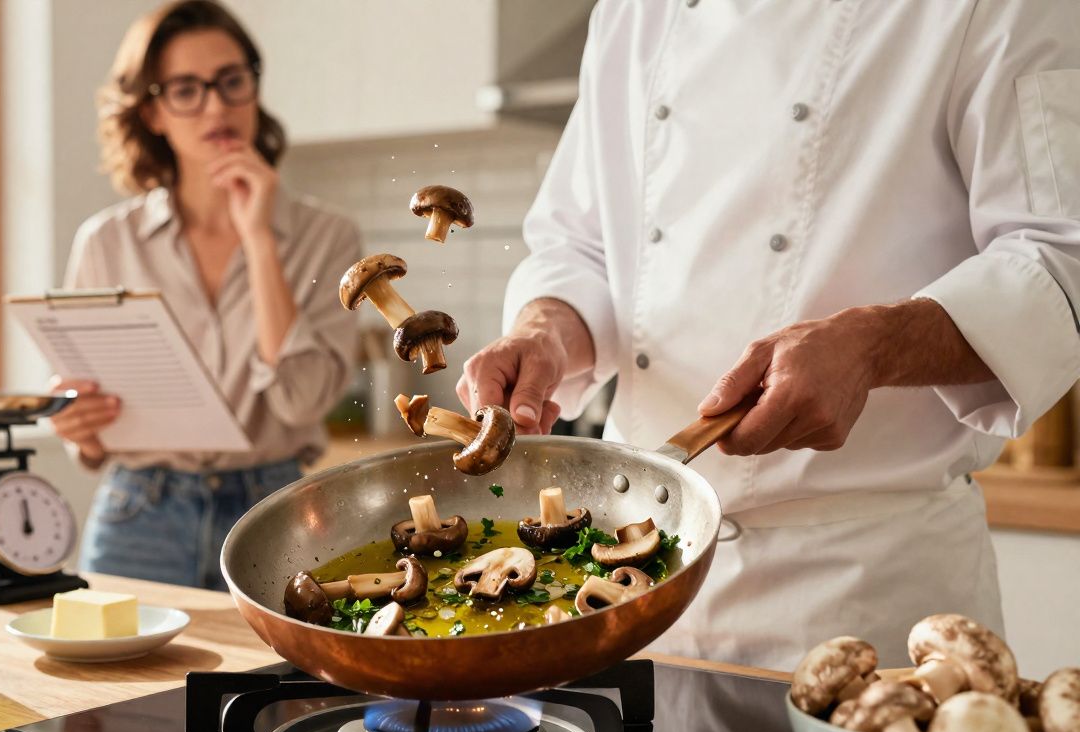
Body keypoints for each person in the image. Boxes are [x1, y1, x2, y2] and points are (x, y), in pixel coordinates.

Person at [461, 0, 1080, 670]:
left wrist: (871, 346)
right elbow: (580, 245)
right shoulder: (634, 11)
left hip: (865, 594)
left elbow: (1058, 255)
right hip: (640, 579)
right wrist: (545, 331)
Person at [49, 0, 360, 591]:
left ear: (254, 87)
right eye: (187, 89)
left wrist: (260, 239)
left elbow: (300, 402)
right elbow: (87, 440)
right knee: (112, 685)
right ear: (153, 111)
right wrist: (76, 419)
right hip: (138, 516)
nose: (216, 106)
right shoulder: (106, 242)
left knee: (275, 686)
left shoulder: (328, 237)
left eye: (231, 81)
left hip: (276, 514)